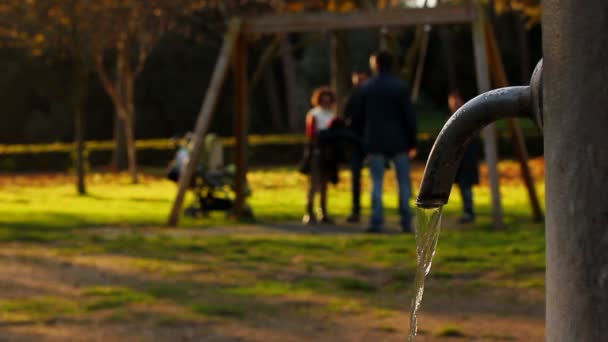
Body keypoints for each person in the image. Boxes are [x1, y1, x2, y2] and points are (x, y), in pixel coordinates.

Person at [357, 51, 417, 233]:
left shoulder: (367, 88)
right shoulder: (400, 87)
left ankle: (376, 220)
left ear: (375, 64)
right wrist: (412, 142)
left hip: (375, 140)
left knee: (376, 182)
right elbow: (409, 117)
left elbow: (360, 117)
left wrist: (362, 141)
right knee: (404, 182)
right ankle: (406, 220)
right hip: (399, 140)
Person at [302, 87, 337, 225]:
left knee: (324, 184)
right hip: (317, 151)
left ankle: (323, 211)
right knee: (314, 183)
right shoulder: (314, 114)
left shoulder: (332, 114)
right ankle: (309, 211)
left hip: (329, 152)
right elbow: (311, 134)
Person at [448, 90, 481, 223]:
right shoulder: (452, 117)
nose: (453, 103)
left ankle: (469, 211)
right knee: (462, 186)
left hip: (466, 159)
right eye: (451, 100)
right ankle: (467, 210)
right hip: (458, 161)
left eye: (456, 100)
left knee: (465, 186)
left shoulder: (468, 117)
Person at [344, 72, 368, 223]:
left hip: (359, 141)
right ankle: (357, 209)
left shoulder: (352, 97)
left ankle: (357, 210)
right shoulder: (356, 97)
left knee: (356, 177)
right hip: (362, 142)